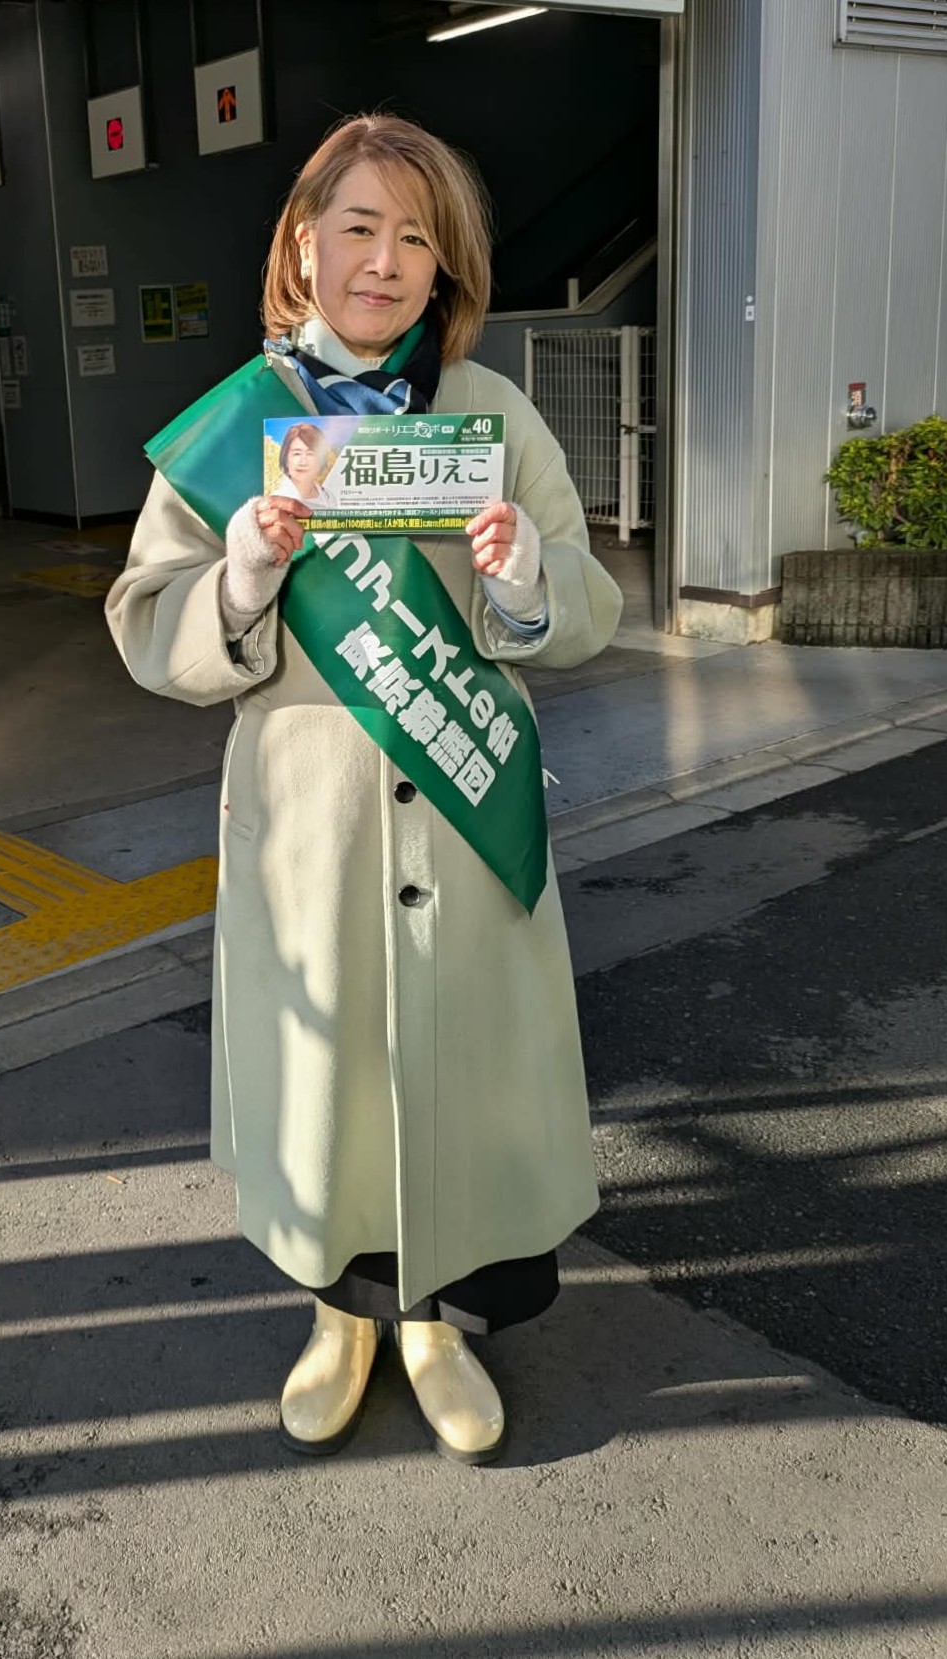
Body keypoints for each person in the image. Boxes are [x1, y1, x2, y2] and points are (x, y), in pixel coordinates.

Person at [105, 114, 622, 1466]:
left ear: (444, 268)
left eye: (415, 239)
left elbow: (590, 599)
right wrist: (243, 575)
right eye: (358, 228)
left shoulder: (491, 413)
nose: (384, 263)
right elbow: (143, 617)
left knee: (455, 1077)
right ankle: (337, 1320)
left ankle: (439, 1324)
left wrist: (521, 577)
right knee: (327, 1079)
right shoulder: (236, 427)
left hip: (460, 805)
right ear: (301, 241)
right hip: (308, 830)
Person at [273, 420, 335, 507]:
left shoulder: (329, 497)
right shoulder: (276, 500)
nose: (303, 461)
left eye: (310, 454)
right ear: (286, 459)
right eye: (297, 454)